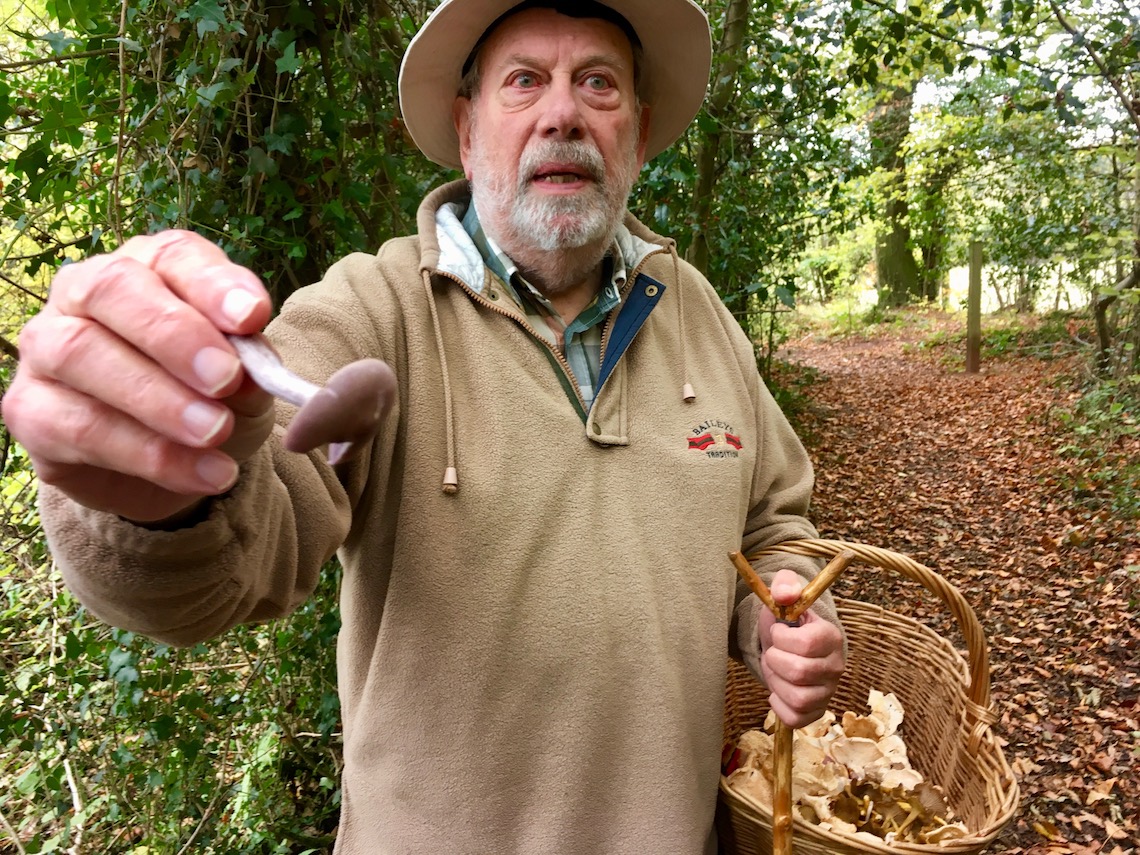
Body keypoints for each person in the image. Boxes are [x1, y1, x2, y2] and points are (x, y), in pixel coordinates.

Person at [2, 1, 846, 852]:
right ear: (466, 125)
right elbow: (239, 548)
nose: (563, 113)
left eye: (598, 82)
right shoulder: (375, 310)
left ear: (638, 129)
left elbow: (774, 520)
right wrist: (161, 490)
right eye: (524, 82)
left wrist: (777, 613)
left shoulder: (698, 313)